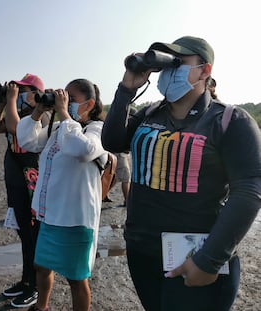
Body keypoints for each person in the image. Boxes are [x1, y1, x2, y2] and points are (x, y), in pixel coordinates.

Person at [101, 36, 261, 311]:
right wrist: (126, 89)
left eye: (179, 63)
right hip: (143, 251)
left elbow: (248, 191)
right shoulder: (150, 113)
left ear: (205, 70)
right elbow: (113, 142)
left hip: (195, 255)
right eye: (167, 64)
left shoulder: (230, 121)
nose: (170, 71)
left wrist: (209, 260)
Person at [17, 78, 107, 311]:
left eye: (70, 98)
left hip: (75, 219)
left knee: (76, 279)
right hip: (50, 215)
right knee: (42, 266)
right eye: (62, 96)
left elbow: (81, 149)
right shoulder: (58, 129)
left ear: (89, 104)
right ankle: (41, 307)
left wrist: (64, 113)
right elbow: (26, 140)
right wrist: (39, 110)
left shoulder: (96, 130)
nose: (62, 101)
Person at [0, 73, 49, 308]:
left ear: (35, 93)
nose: (20, 94)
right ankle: (25, 281)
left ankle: (34, 286)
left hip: (31, 180)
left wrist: (12, 100)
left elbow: (15, 128)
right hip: (15, 180)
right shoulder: (19, 112)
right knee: (24, 233)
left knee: (34, 234)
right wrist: (3, 102)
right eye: (18, 90)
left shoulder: (40, 116)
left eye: (24, 90)